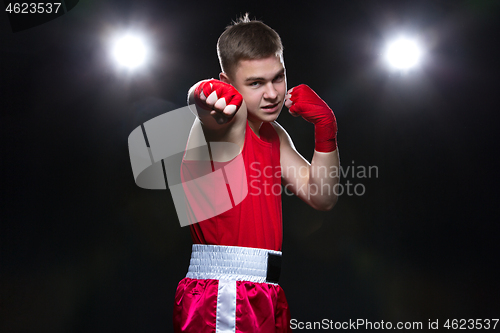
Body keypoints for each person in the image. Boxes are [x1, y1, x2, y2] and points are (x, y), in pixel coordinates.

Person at [173, 14, 340, 333]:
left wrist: (326, 129)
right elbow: (207, 110)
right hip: (223, 292)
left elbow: (323, 197)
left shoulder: (273, 135)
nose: (273, 93)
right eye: (255, 83)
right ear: (227, 80)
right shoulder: (223, 124)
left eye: (278, 77)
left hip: (266, 290)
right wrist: (203, 94)